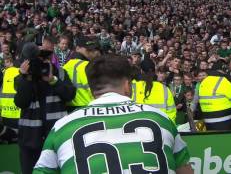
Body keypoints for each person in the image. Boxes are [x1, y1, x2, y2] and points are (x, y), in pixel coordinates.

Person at [33, 55, 193, 174]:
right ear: (127, 85)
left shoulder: (63, 126)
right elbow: (185, 170)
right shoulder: (160, 119)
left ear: (91, 89)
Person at [14, 43, 76, 174]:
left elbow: (69, 95)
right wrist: (27, 78)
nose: (40, 63)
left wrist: (53, 80)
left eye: (44, 59)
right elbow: (21, 102)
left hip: (56, 136)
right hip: (30, 139)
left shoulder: (60, 73)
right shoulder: (22, 78)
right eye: (36, 60)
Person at [132, 58, 177, 123]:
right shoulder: (164, 89)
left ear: (141, 71)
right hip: (161, 129)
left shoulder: (132, 87)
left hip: (138, 128)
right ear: (155, 72)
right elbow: (171, 113)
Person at [63, 36, 100, 112]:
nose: (92, 52)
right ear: (77, 48)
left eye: (93, 49)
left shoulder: (65, 66)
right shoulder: (90, 66)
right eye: (88, 50)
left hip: (69, 109)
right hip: (89, 107)